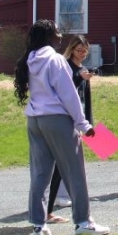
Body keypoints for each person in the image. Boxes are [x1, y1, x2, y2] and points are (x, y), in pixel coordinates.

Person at [13, 19, 109, 235]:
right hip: (57, 119)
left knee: (39, 174)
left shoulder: (29, 58)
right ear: (48, 36)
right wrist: (83, 124)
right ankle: (84, 222)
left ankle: (38, 226)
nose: (60, 36)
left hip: (35, 120)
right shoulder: (55, 60)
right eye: (57, 32)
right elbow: (68, 95)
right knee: (74, 170)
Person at [45, 36, 94, 224]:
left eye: (85, 51)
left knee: (67, 167)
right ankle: (50, 209)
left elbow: (85, 98)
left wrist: (89, 123)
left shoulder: (83, 70)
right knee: (58, 167)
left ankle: (55, 207)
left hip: (77, 121)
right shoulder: (64, 66)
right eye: (79, 50)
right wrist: (77, 78)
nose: (82, 54)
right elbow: (62, 92)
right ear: (72, 49)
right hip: (63, 120)